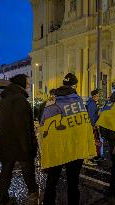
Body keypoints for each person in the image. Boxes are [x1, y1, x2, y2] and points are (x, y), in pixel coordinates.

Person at [42, 73, 87, 205]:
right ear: (74, 85)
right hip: (74, 146)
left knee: (52, 179)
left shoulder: (51, 101)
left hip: (56, 145)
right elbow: (83, 124)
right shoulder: (78, 101)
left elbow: (44, 123)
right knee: (73, 182)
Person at [0, 74, 39, 205]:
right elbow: (23, 126)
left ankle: (2, 198)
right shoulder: (20, 100)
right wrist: (29, 146)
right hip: (20, 144)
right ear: (21, 83)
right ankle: (33, 195)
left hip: (5, 142)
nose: (28, 85)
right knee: (28, 171)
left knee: (6, 172)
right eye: (27, 82)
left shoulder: (5, 99)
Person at [86, 89, 102, 162]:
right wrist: (93, 125)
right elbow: (91, 116)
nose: (98, 97)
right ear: (94, 96)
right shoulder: (92, 104)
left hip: (92, 125)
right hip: (92, 126)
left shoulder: (91, 103)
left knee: (94, 140)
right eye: (98, 96)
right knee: (95, 140)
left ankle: (94, 155)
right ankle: (94, 155)